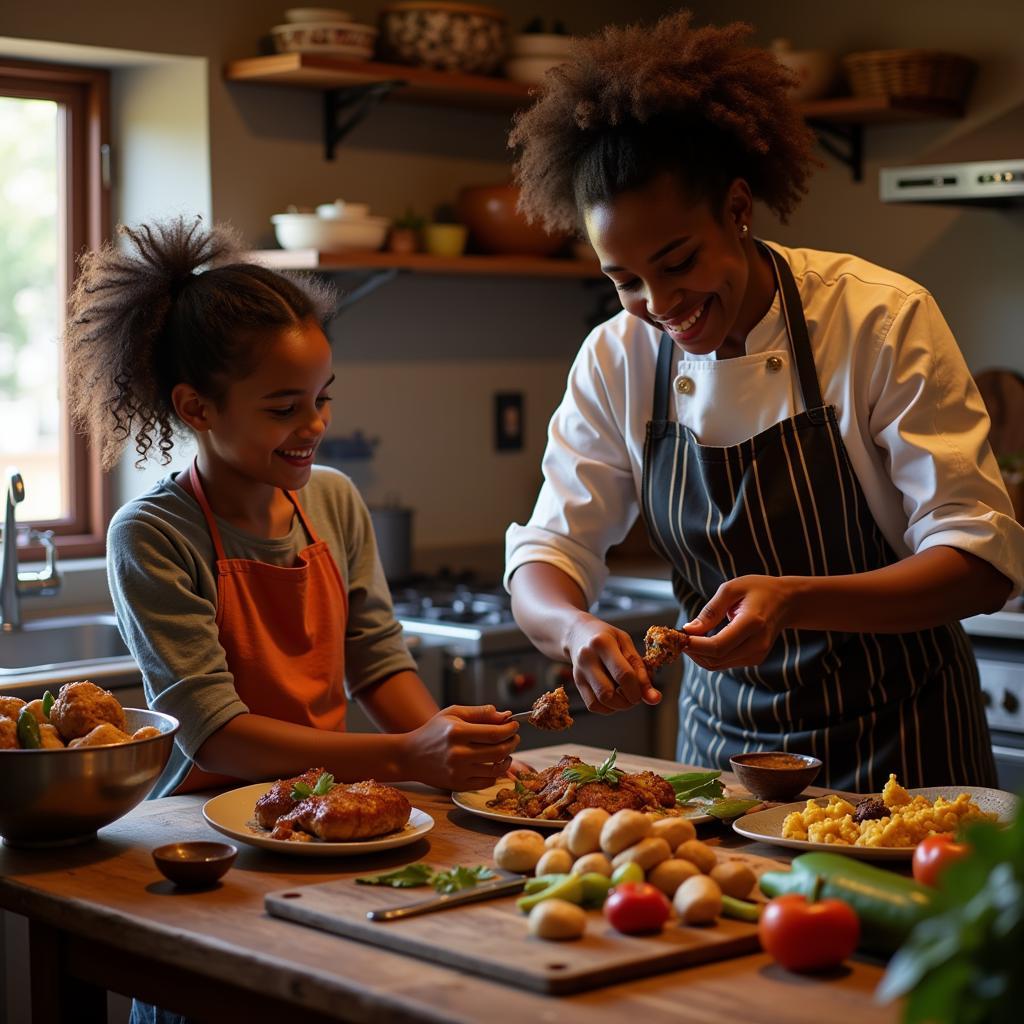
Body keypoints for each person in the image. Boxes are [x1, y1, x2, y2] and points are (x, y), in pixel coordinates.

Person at [503, 12, 1024, 791]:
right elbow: (546, 557)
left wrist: (794, 600)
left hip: (902, 750)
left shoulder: (876, 317)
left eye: (678, 262)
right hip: (720, 760)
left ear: (739, 209)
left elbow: (981, 566)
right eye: (625, 279)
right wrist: (574, 629)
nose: (660, 302)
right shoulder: (619, 353)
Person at [64, 217, 520, 800]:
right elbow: (217, 734)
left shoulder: (333, 499)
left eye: (322, 397)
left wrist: (451, 748)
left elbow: (377, 662)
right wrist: (407, 754)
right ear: (197, 408)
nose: (315, 426)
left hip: (327, 801)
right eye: (283, 409)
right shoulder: (152, 536)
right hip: (205, 820)